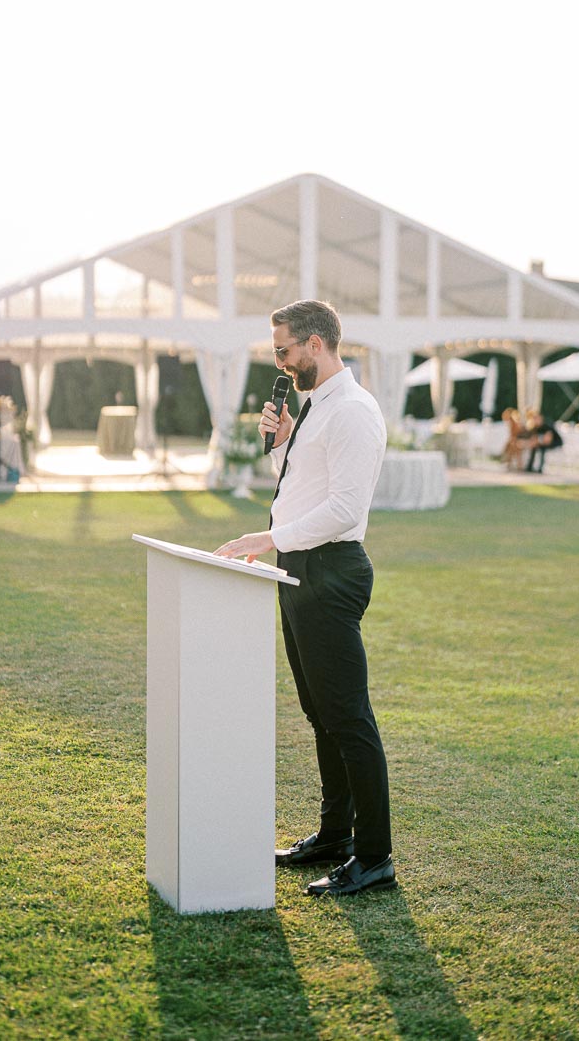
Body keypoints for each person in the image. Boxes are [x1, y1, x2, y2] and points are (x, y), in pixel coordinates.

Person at [213, 300, 396, 898]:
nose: (281, 363)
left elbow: (345, 509)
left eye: (284, 350)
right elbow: (304, 490)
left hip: (332, 573)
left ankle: (373, 857)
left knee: (349, 719)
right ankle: (333, 836)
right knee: (321, 716)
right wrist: (283, 443)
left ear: (316, 344)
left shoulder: (354, 412)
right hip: (300, 570)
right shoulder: (317, 407)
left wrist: (265, 540)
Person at [524, 408, 563, 472]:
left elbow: (548, 440)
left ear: (540, 418)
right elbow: (534, 439)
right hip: (543, 443)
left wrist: (538, 442)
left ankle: (540, 468)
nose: (535, 420)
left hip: (556, 442)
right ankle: (529, 467)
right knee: (534, 447)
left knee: (542, 447)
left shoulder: (547, 425)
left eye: (536, 418)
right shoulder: (536, 427)